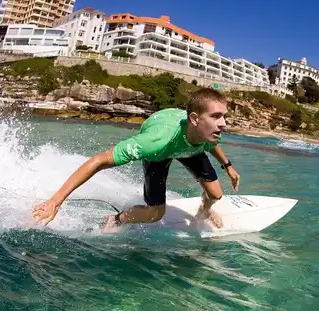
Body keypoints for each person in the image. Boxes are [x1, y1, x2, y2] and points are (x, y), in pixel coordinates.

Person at [31, 88, 240, 232]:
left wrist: (228, 167)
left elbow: (212, 144)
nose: (223, 124)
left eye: (224, 117)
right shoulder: (154, 142)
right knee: (156, 213)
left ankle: (204, 212)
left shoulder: (209, 131)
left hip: (188, 147)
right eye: (216, 116)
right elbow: (99, 160)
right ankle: (117, 218)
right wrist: (55, 202)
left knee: (216, 194)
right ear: (195, 119)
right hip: (161, 151)